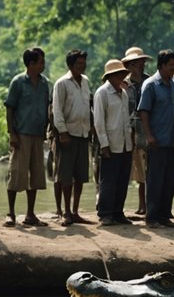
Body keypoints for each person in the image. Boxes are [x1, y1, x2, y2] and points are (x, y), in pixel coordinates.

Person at [4, 47, 51, 227]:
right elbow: (10, 108)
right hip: (21, 134)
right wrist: (12, 134)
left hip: (38, 134)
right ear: (31, 64)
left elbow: (47, 106)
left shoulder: (44, 82)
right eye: (41, 62)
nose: (43, 65)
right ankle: (11, 213)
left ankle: (30, 214)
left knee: (36, 175)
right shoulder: (18, 82)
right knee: (16, 173)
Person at [138, 50, 174, 229]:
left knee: (169, 180)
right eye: (171, 65)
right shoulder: (150, 85)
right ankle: (152, 217)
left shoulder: (172, 84)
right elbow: (144, 112)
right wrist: (149, 135)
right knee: (155, 179)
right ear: (162, 65)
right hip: (158, 140)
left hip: (173, 140)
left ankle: (164, 215)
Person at [52, 49, 92, 226]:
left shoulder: (85, 82)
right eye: (78, 64)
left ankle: (75, 211)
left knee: (81, 175)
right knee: (66, 176)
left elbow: (87, 106)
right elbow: (57, 110)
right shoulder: (62, 83)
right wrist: (62, 131)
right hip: (68, 134)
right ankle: (66, 211)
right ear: (70, 65)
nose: (82, 67)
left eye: (83, 63)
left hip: (83, 132)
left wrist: (91, 127)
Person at [93, 59, 134, 226]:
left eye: (123, 74)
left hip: (124, 142)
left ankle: (118, 212)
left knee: (123, 180)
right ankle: (105, 213)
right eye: (119, 74)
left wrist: (130, 139)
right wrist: (104, 144)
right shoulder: (102, 93)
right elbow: (99, 122)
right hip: (110, 143)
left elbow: (126, 120)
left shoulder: (123, 94)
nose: (122, 77)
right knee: (109, 180)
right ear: (110, 76)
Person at [123, 47, 150, 216]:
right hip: (130, 131)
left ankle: (146, 205)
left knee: (148, 170)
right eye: (137, 63)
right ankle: (141, 205)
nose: (140, 66)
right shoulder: (124, 84)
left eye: (142, 62)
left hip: (147, 130)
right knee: (138, 172)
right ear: (130, 65)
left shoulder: (149, 81)